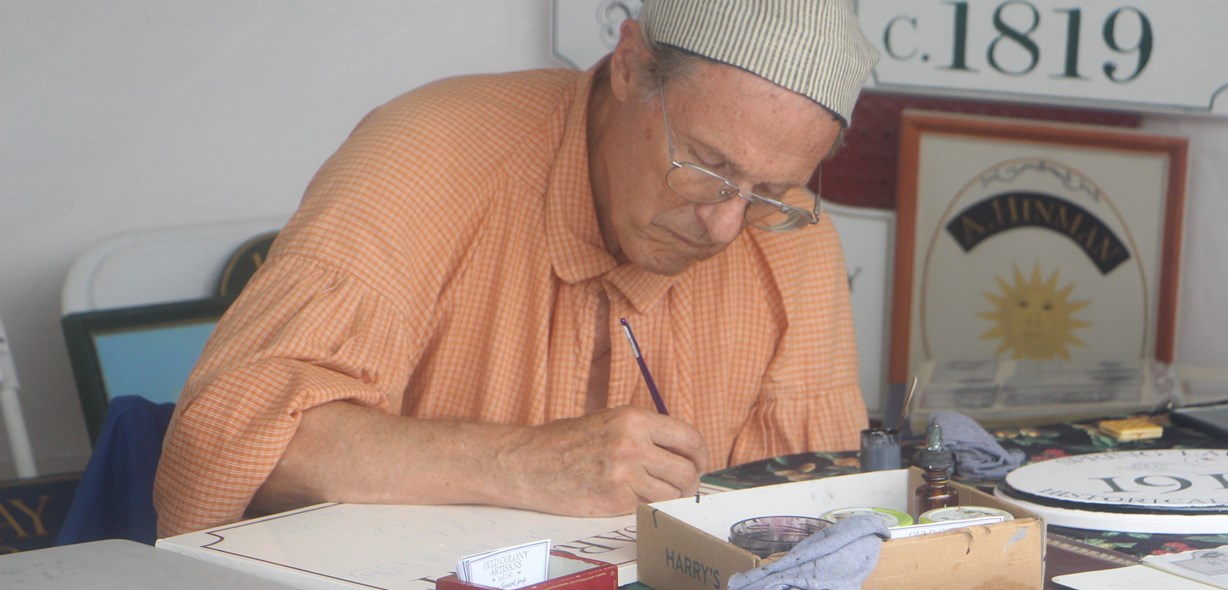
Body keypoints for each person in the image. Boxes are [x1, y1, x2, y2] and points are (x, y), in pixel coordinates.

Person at [155, 0, 880, 537]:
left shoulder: (790, 243)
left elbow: (807, 528)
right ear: (630, 64)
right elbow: (231, 440)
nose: (725, 225)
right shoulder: (425, 157)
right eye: (707, 167)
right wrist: (520, 462)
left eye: (770, 193)